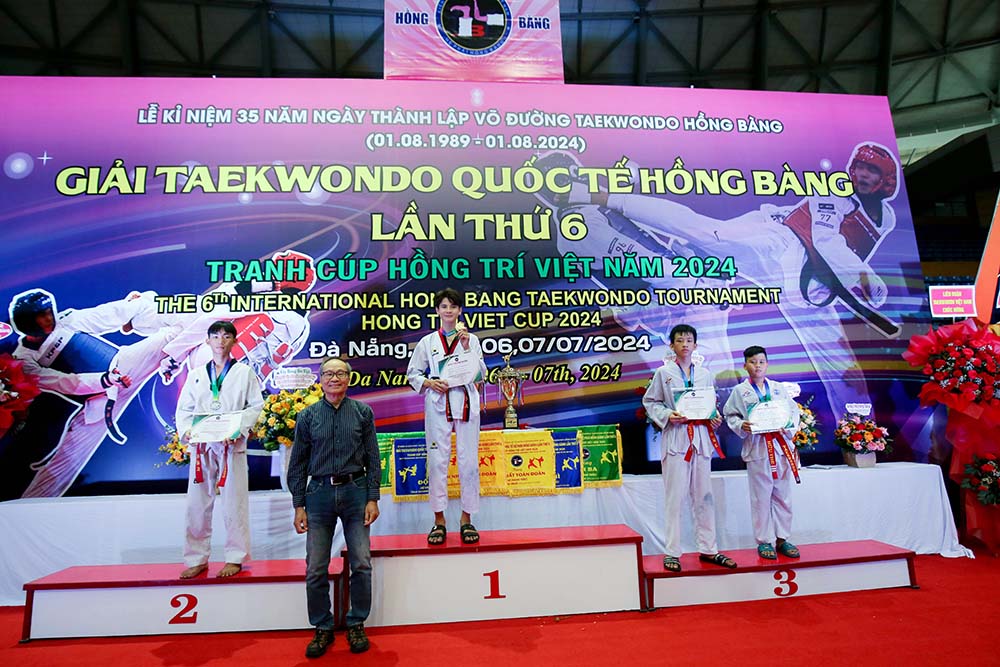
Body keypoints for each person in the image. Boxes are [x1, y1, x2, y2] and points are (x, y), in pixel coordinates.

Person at [539, 142, 902, 415]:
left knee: (836, 356)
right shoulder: (577, 225)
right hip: (769, 246)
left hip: (801, 285)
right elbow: (826, 241)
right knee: (709, 234)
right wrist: (867, 280)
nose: (862, 175)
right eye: (860, 168)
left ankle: (858, 431)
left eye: (872, 171)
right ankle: (711, 427)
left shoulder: (883, 218)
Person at [287, 357, 380, 657]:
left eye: (340, 373)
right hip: (318, 494)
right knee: (316, 566)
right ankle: (322, 626)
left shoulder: (363, 413)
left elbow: (373, 458)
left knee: (361, 562)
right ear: (321, 380)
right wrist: (298, 504)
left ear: (349, 379)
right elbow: (297, 463)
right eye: (328, 373)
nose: (334, 378)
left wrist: (372, 498)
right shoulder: (308, 416)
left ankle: (357, 622)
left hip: (356, 492)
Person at [642, 323, 735, 572]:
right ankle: (672, 551)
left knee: (705, 496)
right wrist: (667, 415)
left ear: (695, 345)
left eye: (689, 340)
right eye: (680, 340)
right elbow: (651, 402)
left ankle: (709, 548)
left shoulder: (704, 374)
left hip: (701, 439)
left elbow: (709, 405)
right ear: (672, 345)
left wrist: (715, 418)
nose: (685, 344)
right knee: (675, 498)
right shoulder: (663, 372)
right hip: (677, 439)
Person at [175, 320, 264, 579]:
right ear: (207, 341)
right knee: (196, 504)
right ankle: (196, 558)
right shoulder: (196, 374)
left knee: (234, 502)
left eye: (226, 336)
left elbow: (255, 406)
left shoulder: (244, 373)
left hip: (230, 445)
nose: (220, 341)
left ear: (234, 341)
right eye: (215, 336)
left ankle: (235, 557)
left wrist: (238, 429)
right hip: (202, 447)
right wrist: (188, 432)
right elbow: (184, 409)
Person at [406, 287, 488, 546]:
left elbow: (481, 374)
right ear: (437, 311)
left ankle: (467, 518)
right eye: (444, 306)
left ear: (460, 310)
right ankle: (439, 519)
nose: (448, 310)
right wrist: (430, 383)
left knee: (469, 462)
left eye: (453, 306)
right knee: (437, 461)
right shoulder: (428, 342)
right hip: (438, 403)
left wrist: (466, 347)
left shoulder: (471, 340)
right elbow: (413, 374)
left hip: (465, 401)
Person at [723, 346, 802, 560]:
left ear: (767, 364)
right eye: (752, 362)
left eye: (761, 362)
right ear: (745, 365)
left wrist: (788, 426)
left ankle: (783, 538)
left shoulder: (778, 388)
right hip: (757, 448)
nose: (757, 366)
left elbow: (793, 411)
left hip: (780, 446)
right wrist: (741, 425)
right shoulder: (740, 391)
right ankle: (764, 541)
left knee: (783, 495)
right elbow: (730, 415)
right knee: (761, 497)